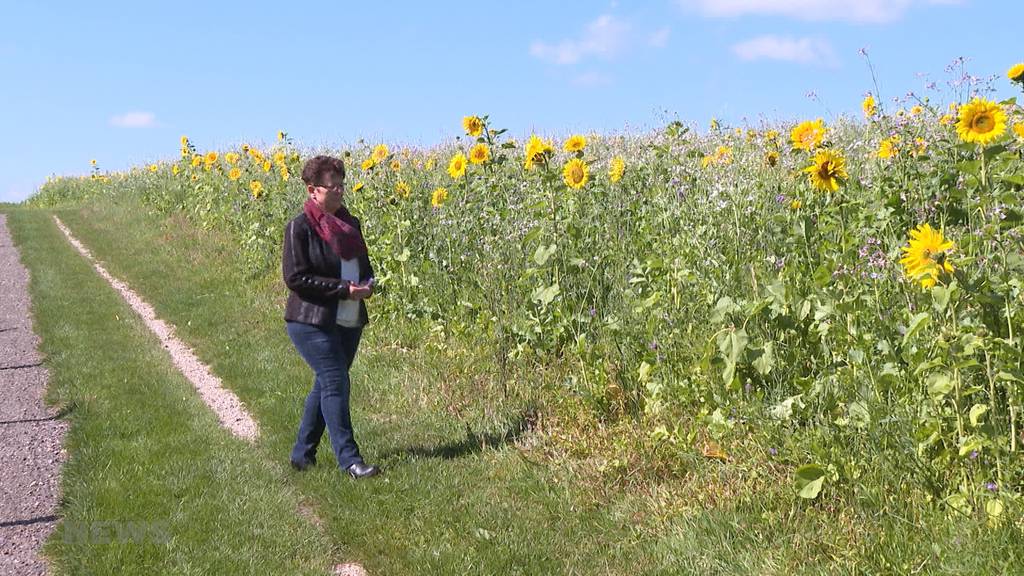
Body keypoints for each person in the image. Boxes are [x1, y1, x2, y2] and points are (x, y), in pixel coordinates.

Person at [282, 155, 379, 479]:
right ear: (313, 190)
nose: (339, 191)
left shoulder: (351, 225)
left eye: (341, 185)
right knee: (337, 381)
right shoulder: (299, 228)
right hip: (311, 321)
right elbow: (295, 278)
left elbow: (363, 266)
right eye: (331, 186)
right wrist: (342, 289)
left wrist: (368, 284)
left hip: (349, 318)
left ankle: (302, 454)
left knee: (326, 383)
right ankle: (350, 461)